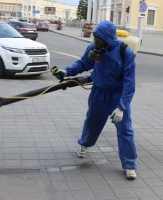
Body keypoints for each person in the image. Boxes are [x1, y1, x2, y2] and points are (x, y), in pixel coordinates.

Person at [52, 20, 137, 180]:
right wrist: (66, 72)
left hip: (117, 95)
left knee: (125, 129)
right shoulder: (94, 49)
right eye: (95, 38)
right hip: (99, 92)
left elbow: (129, 83)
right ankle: (84, 144)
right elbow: (83, 63)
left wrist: (121, 107)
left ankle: (130, 165)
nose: (95, 41)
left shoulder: (125, 52)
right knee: (92, 121)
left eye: (99, 39)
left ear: (108, 39)